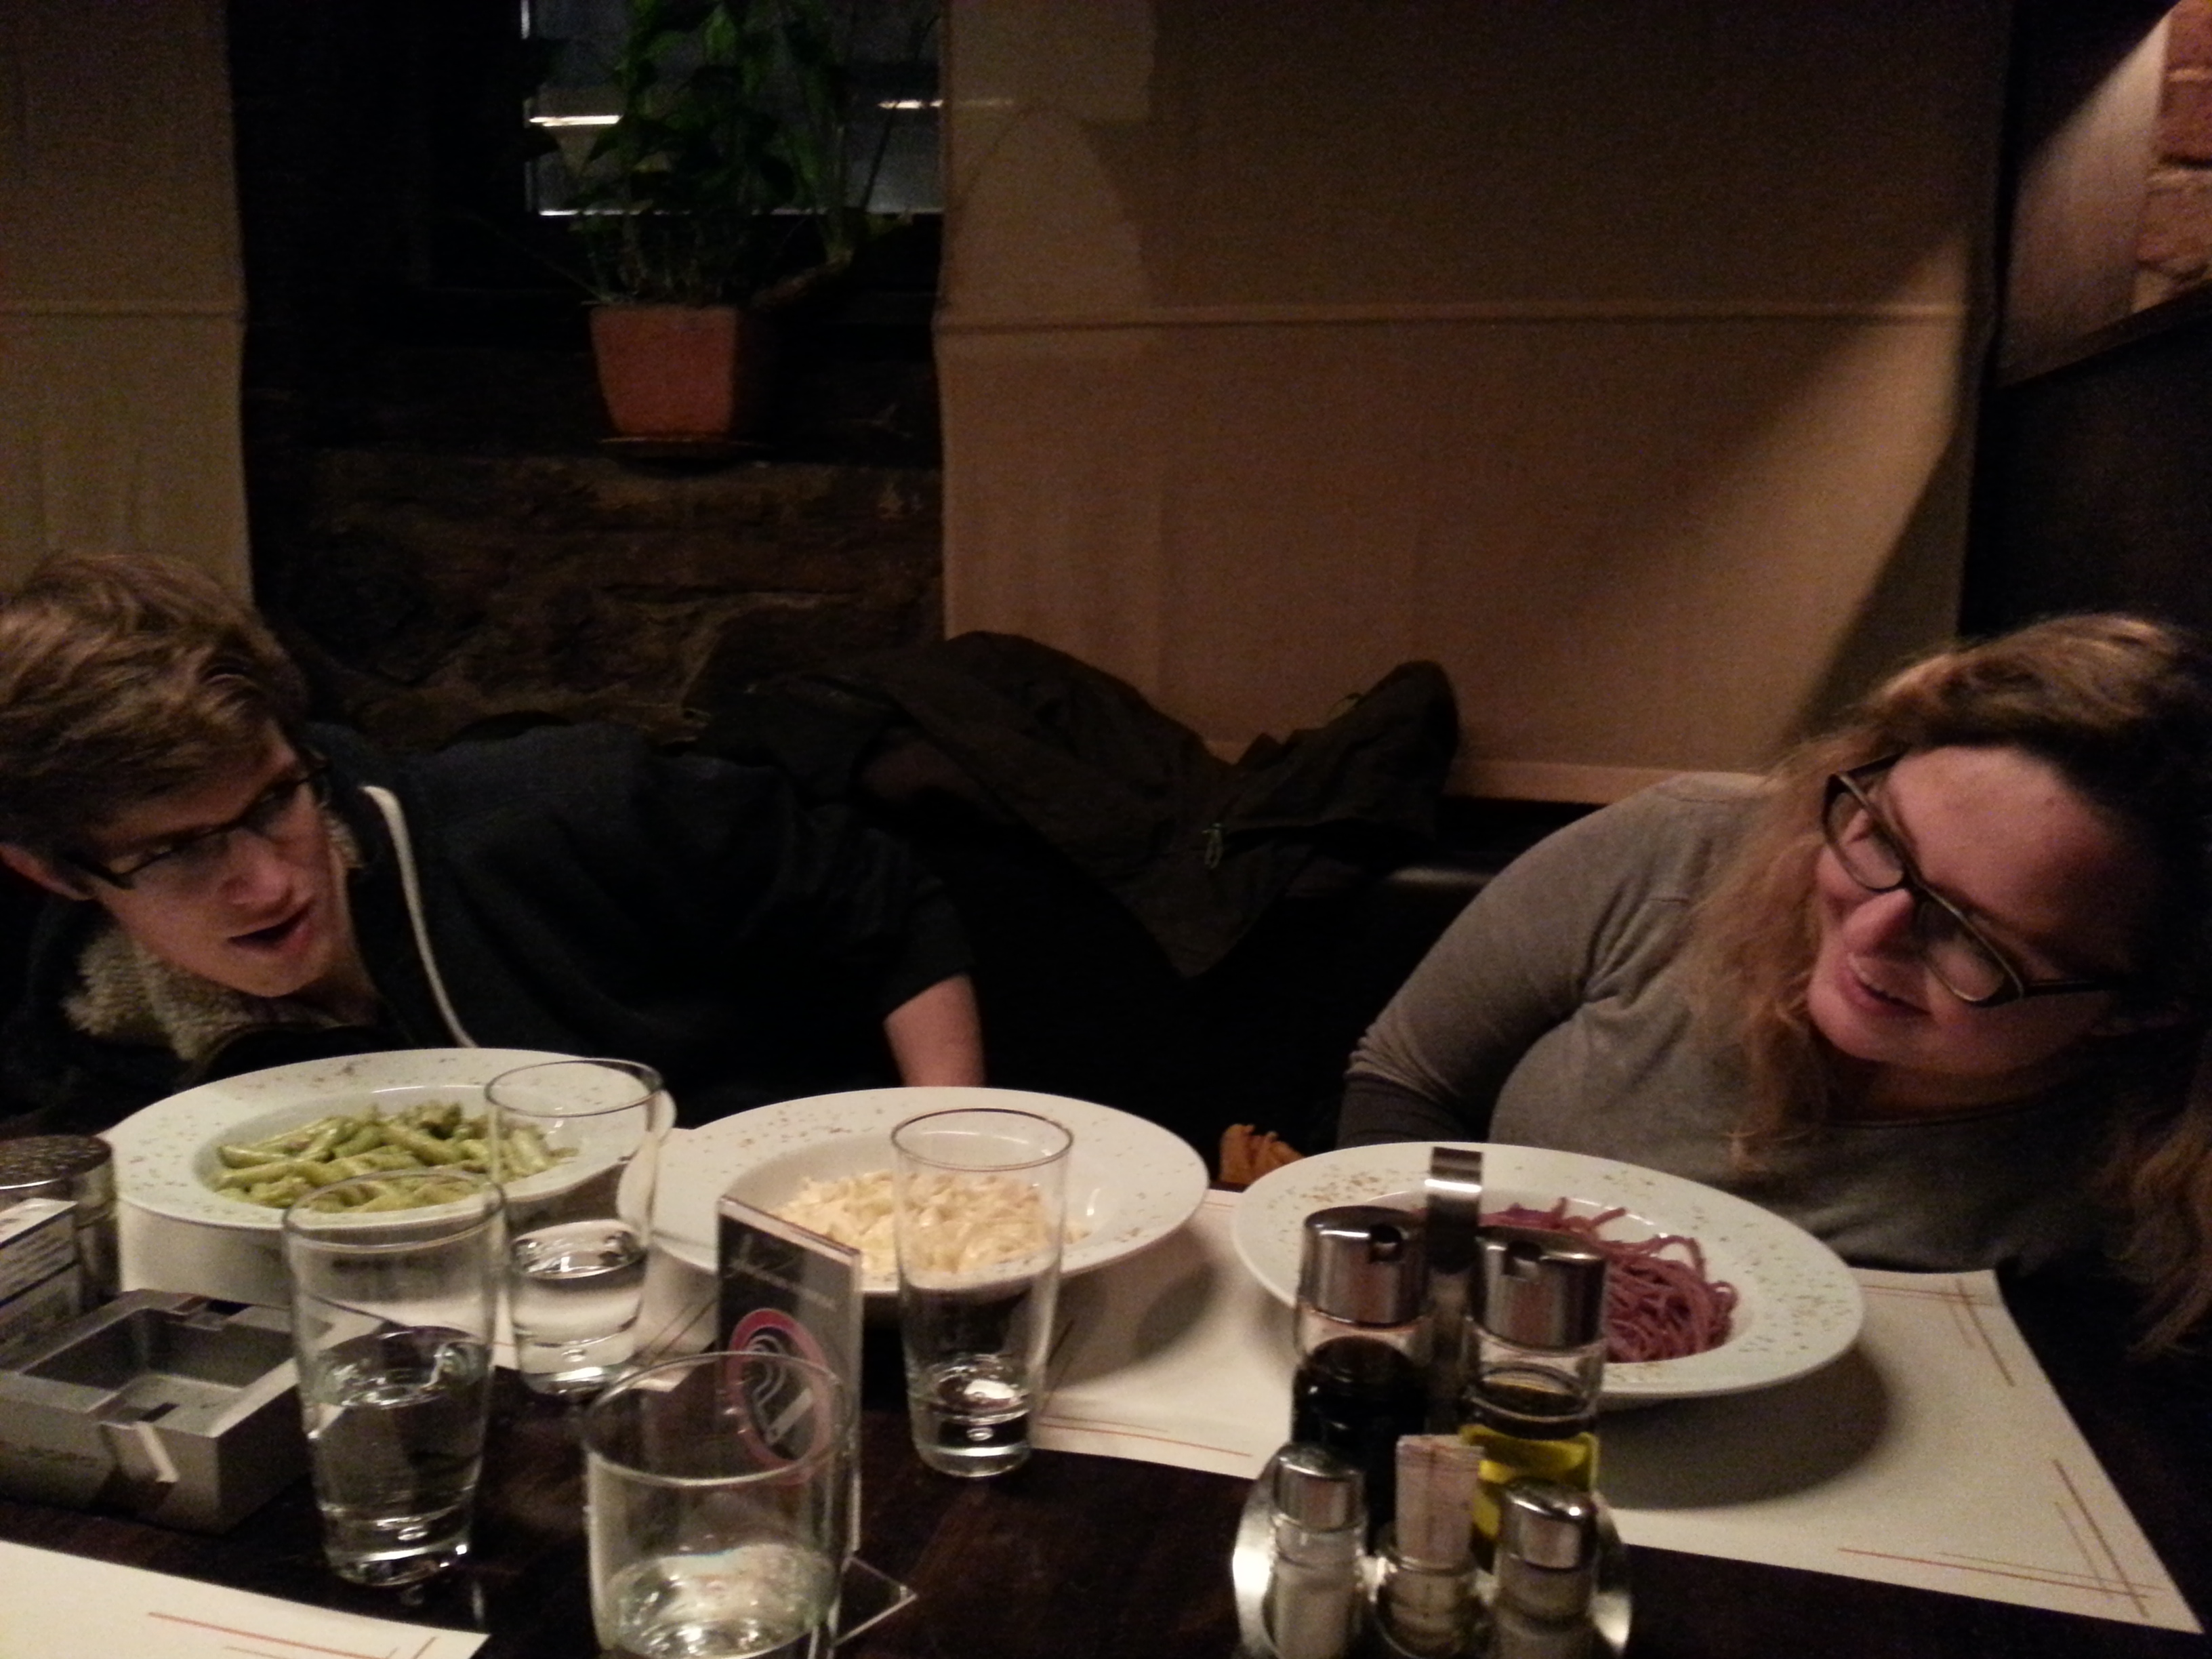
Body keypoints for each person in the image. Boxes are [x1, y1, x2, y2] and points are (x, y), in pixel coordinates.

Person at [1340, 615, 2212, 1350]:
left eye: (1976, 936)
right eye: (1884, 841)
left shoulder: (2148, 1175)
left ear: (2140, 1010)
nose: (1871, 933)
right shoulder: (1679, 850)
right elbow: (1406, 1078)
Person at [0, 554, 985, 1134]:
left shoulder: (565, 804)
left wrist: (947, 1154)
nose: (263, 883)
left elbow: (885, 901)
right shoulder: (97, 1021)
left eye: (274, 800)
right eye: (177, 852)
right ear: (54, 873)